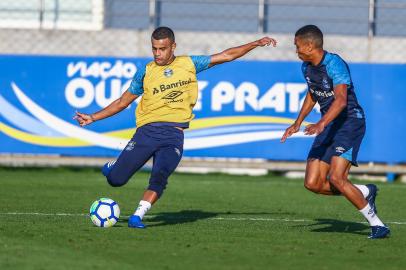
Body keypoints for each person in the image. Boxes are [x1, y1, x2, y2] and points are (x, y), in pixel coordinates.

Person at [74, 26, 277, 229]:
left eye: (162, 49)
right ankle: (112, 169)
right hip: (147, 133)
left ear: (173, 47)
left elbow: (226, 55)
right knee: (116, 180)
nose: (157, 53)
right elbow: (122, 102)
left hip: (173, 136)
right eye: (154, 48)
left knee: (160, 176)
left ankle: (138, 215)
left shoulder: (189, 64)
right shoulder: (145, 72)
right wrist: (93, 117)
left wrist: (254, 43)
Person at [281, 25, 389, 239]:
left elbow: (340, 101)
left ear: (310, 45)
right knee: (312, 183)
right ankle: (365, 191)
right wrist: (297, 122)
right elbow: (313, 94)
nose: (296, 50)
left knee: (337, 178)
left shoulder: (335, 64)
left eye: (298, 46)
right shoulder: (306, 66)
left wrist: (320, 123)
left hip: (349, 122)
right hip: (329, 124)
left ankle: (378, 225)